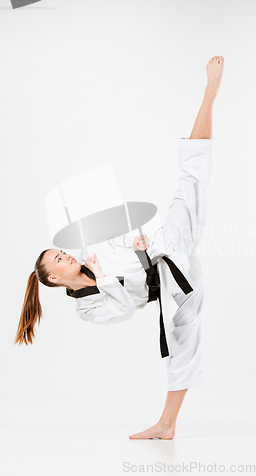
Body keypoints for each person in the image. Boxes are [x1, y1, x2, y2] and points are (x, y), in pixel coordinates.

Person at [15, 55, 224, 439]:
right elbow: (125, 309)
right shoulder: (86, 307)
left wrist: (140, 245)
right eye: (56, 260)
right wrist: (105, 275)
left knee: (190, 178)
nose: (63, 255)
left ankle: (209, 95)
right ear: (56, 279)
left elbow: (132, 243)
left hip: (167, 246)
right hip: (175, 287)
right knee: (182, 343)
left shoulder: (91, 244)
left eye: (58, 251)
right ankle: (167, 425)